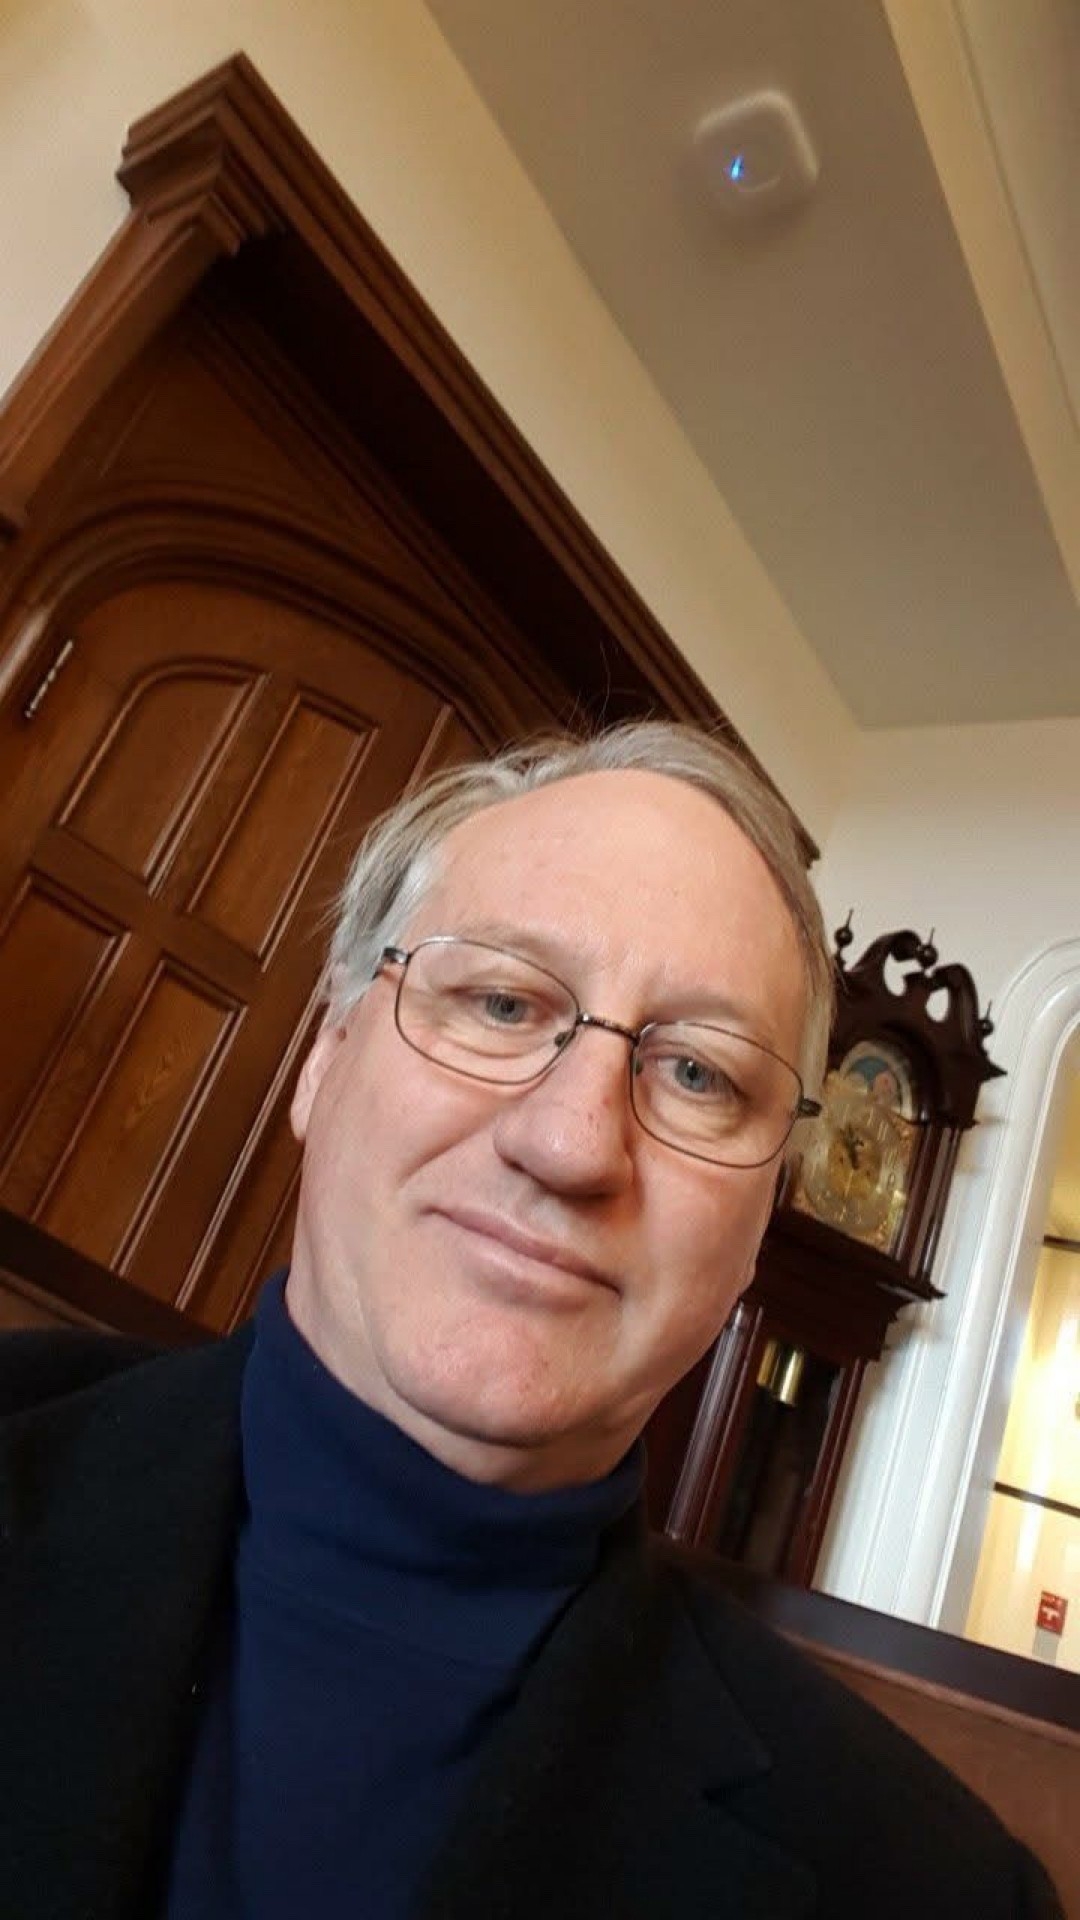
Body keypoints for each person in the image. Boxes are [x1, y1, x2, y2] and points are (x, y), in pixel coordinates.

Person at [0, 721, 1062, 1919]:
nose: (570, 1142)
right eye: (501, 1001)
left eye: (700, 1074)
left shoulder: (936, 1892)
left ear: (763, 1219)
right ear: (324, 1060)